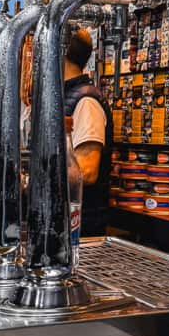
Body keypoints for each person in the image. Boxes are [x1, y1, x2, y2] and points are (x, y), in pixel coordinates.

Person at [63, 28, 112, 237]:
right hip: (65, 222)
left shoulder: (86, 101)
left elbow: (86, 172)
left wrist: (31, 180)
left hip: (81, 228)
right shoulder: (65, 95)